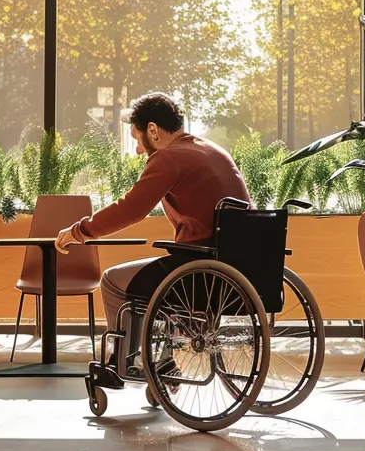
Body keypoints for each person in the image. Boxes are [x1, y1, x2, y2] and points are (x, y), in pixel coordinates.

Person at [54, 92, 251, 330]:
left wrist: (80, 231)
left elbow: (132, 208)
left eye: (137, 139)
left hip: (201, 271)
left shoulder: (169, 157)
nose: (138, 150)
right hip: (241, 266)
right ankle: (161, 355)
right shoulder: (213, 150)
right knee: (154, 277)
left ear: (153, 130)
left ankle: (124, 360)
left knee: (112, 281)